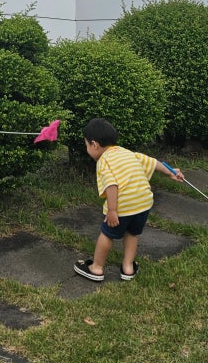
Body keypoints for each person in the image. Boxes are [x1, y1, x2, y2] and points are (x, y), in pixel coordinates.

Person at [74, 118, 185, 283]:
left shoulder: (104, 161)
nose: (87, 149)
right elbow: (153, 162)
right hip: (143, 203)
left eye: (86, 145)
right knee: (132, 233)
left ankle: (96, 268)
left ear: (94, 144)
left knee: (107, 235)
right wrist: (170, 173)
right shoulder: (127, 153)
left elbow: (111, 185)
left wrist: (112, 210)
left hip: (122, 206)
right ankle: (128, 268)